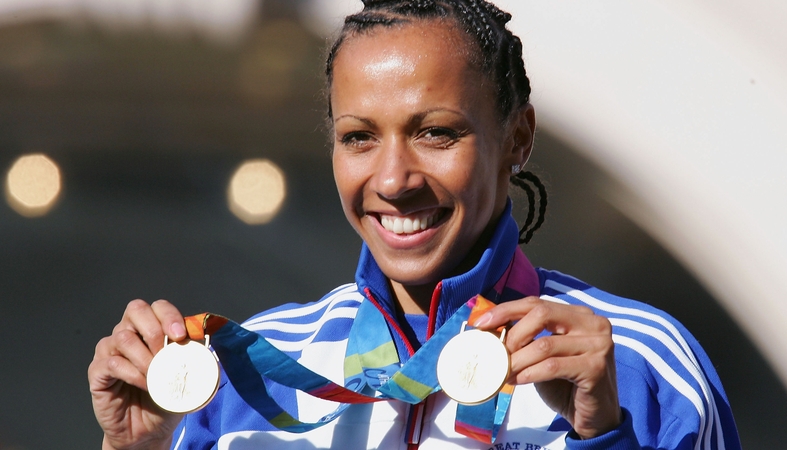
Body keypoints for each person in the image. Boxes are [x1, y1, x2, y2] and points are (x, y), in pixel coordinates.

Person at [88, 1, 741, 449]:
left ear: (518, 137)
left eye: (435, 133)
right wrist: (134, 445)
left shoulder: (643, 364)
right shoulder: (243, 375)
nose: (394, 179)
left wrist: (606, 435)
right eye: (360, 138)